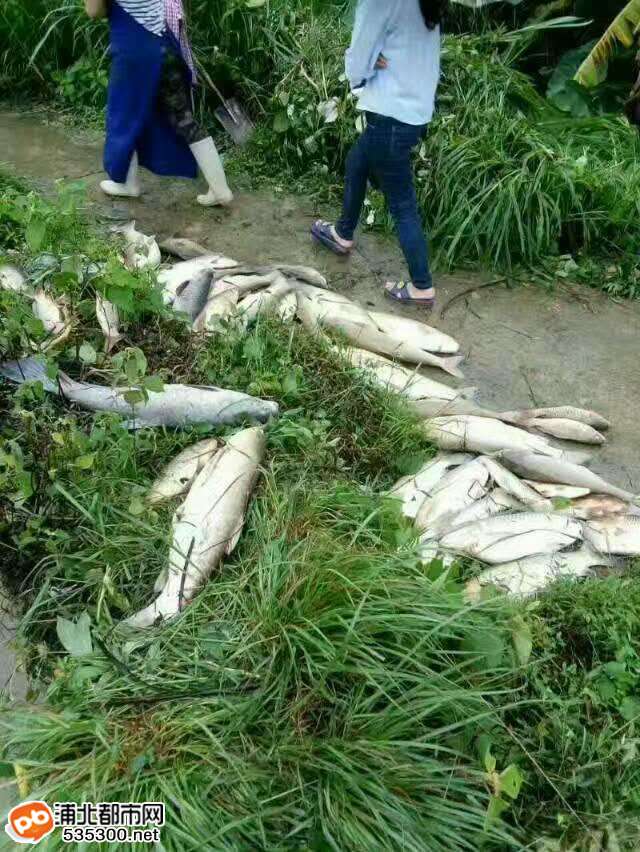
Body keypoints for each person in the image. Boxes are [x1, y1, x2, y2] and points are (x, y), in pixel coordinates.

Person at [311, 0, 444, 308]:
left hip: (390, 112)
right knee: (357, 161)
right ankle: (342, 233)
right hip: (414, 111)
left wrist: (365, 67)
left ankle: (422, 286)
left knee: (401, 204)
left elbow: (359, 56)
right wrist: (377, 58)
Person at [99, 0, 233, 207]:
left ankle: (128, 184)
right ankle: (221, 189)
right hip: (164, 45)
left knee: (123, 115)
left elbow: (93, 10)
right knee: (184, 119)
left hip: (135, 51)